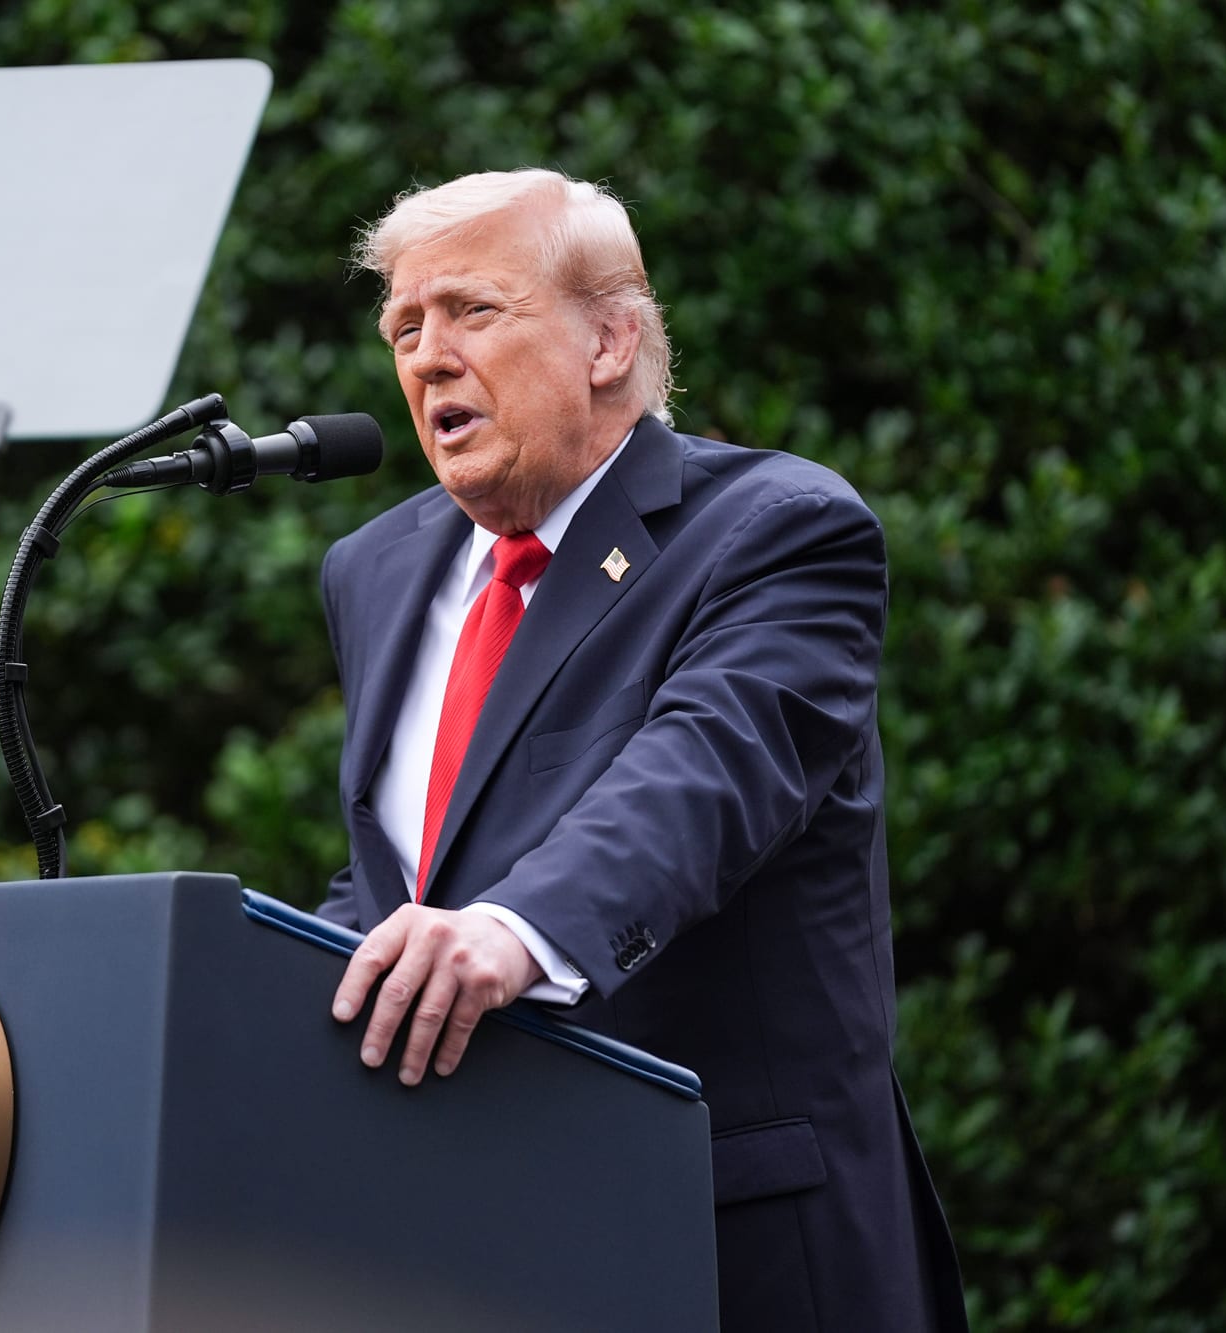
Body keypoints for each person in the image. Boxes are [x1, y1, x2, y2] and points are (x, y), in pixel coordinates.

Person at [317, 169, 967, 1330]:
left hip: (725, 1242)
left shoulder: (776, 531)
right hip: (460, 1244)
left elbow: (698, 777)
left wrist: (513, 932)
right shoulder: (373, 570)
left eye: (471, 310)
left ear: (609, 337)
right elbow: (394, 879)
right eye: (402, 327)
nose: (424, 357)